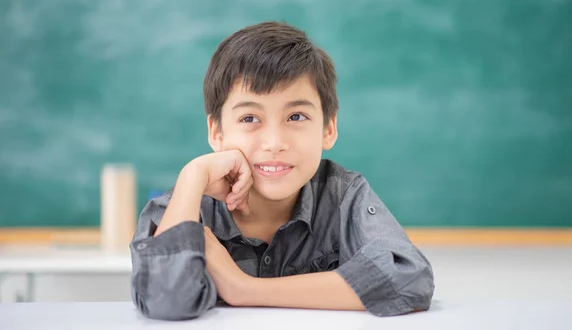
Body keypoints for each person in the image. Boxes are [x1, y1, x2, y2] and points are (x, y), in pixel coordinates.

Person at [129, 21, 434, 320]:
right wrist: (192, 175)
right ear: (216, 133)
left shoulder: (343, 195)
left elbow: (408, 279)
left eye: (296, 116)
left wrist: (245, 289)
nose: (274, 143)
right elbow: (164, 301)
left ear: (328, 128)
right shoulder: (185, 205)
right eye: (249, 118)